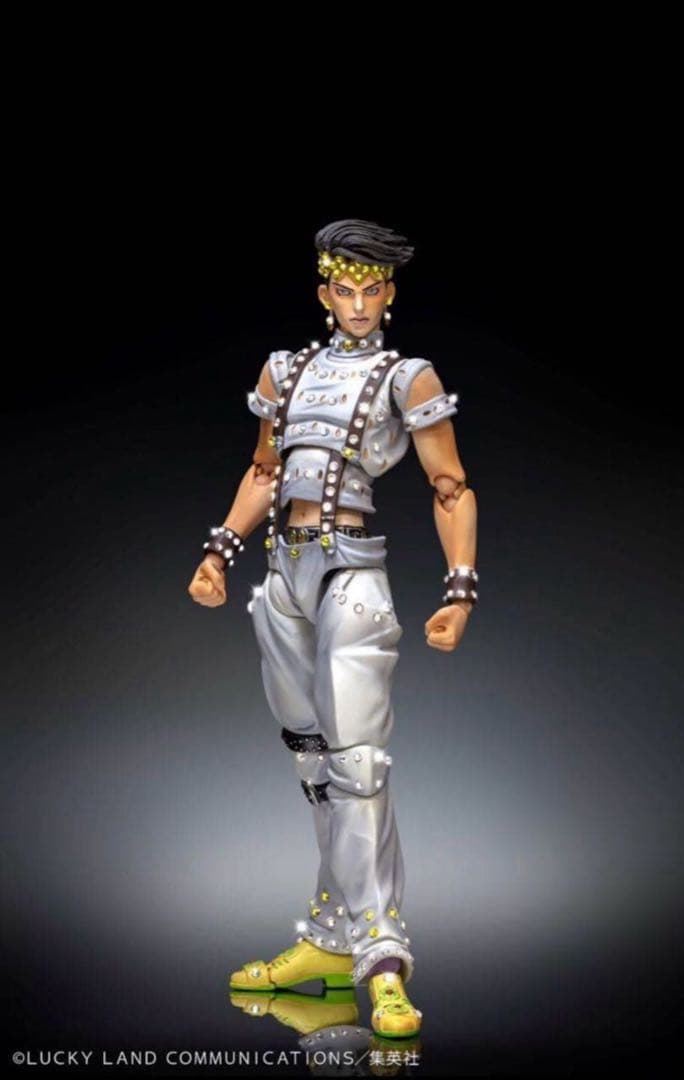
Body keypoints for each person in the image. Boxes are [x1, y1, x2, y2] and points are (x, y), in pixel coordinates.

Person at [187, 219, 477, 1039]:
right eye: (343, 290)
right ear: (324, 293)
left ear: (389, 293)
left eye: (370, 290)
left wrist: (460, 590)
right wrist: (219, 551)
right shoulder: (285, 370)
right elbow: (264, 470)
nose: (356, 303)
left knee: (358, 766)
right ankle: (329, 936)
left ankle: (381, 958)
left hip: (352, 572)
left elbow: (451, 487)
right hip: (283, 575)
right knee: (314, 764)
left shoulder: (407, 378)